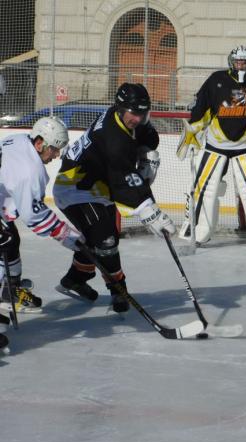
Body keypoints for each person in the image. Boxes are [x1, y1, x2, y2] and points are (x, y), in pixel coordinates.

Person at [53, 82, 175, 315]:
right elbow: (122, 182)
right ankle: (119, 290)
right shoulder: (113, 138)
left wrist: (147, 153)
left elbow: (148, 135)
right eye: (134, 113)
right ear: (120, 109)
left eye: (142, 112)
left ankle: (73, 280)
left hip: (99, 185)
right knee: (106, 240)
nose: (138, 118)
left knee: (96, 239)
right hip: (76, 188)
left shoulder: (127, 119)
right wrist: (149, 211)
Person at [176, 45, 246, 249]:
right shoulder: (216, 80)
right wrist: (193, 129)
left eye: (244, 62)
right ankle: (196, 233)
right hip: (216, 144)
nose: (240, 65)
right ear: (231, 62)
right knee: (203, 187)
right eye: (237, 62)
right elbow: (203, 109)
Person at [0, 116, 83, 352]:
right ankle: (7, 292)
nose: (56, 155)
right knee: (5, 246)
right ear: (39, 144)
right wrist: (68, 237)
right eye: (54, 149)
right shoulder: (30, 171)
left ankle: (9, 290)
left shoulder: (18, 139)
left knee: (9, 242)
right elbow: (33, 215)